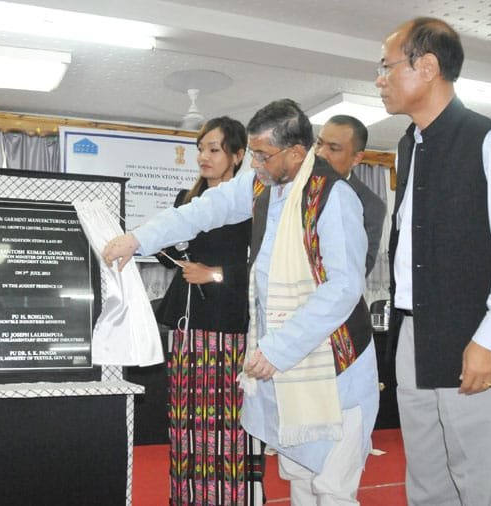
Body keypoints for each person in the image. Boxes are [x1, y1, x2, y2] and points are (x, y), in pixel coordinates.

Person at [103, 99, 379, 505]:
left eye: (264, 155)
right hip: (286, 364)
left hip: (333, 365)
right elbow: (201, 211)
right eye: (254, 154)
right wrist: (138, 238)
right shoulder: (263, 183)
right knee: (301, 478)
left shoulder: (333, 198)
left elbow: (342, 288)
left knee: (332, 488)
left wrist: (279, 348)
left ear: (297, 153)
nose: (257, 163)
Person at [377, 17, 491, 505]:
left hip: (477, 343)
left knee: (484, 489)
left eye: (386, 67)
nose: (380, 80)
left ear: (426, 67)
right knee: (428, 487)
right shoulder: (409, 145)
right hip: (414, 339)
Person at [153, 116, 261, 505]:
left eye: (213, 149)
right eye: (201, 149)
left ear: (238, 155)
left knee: (224, 422)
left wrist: (214, 274)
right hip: (186, 323)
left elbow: (259, 268)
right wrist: (176, 251)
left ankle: (227, 497)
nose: (204, 157)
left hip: (227, 324)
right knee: (185, 422)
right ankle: (187, 497)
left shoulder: (251, 203)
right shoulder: (188, 197)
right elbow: (170, 259)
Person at [315, 115, 386, 276]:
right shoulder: (296, 188)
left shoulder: (370, 204)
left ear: (356, 158)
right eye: (319, 143)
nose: (321, 154)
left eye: (333, 148)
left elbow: (362, 266)